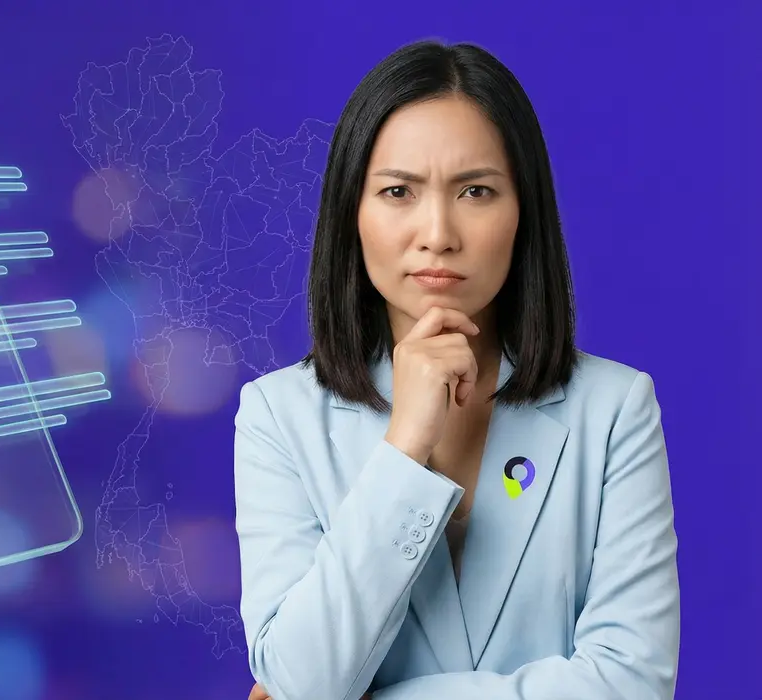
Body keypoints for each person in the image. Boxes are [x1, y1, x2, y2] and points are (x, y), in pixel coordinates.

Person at [236, 40, 679, 700]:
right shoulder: (279, 415)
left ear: (523, 210)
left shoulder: (615, 408)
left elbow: (632, 683)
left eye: (476, 191)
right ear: (350, 214)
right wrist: (405, 448)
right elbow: (301, 677)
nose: (438, 232)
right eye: (397, 191)